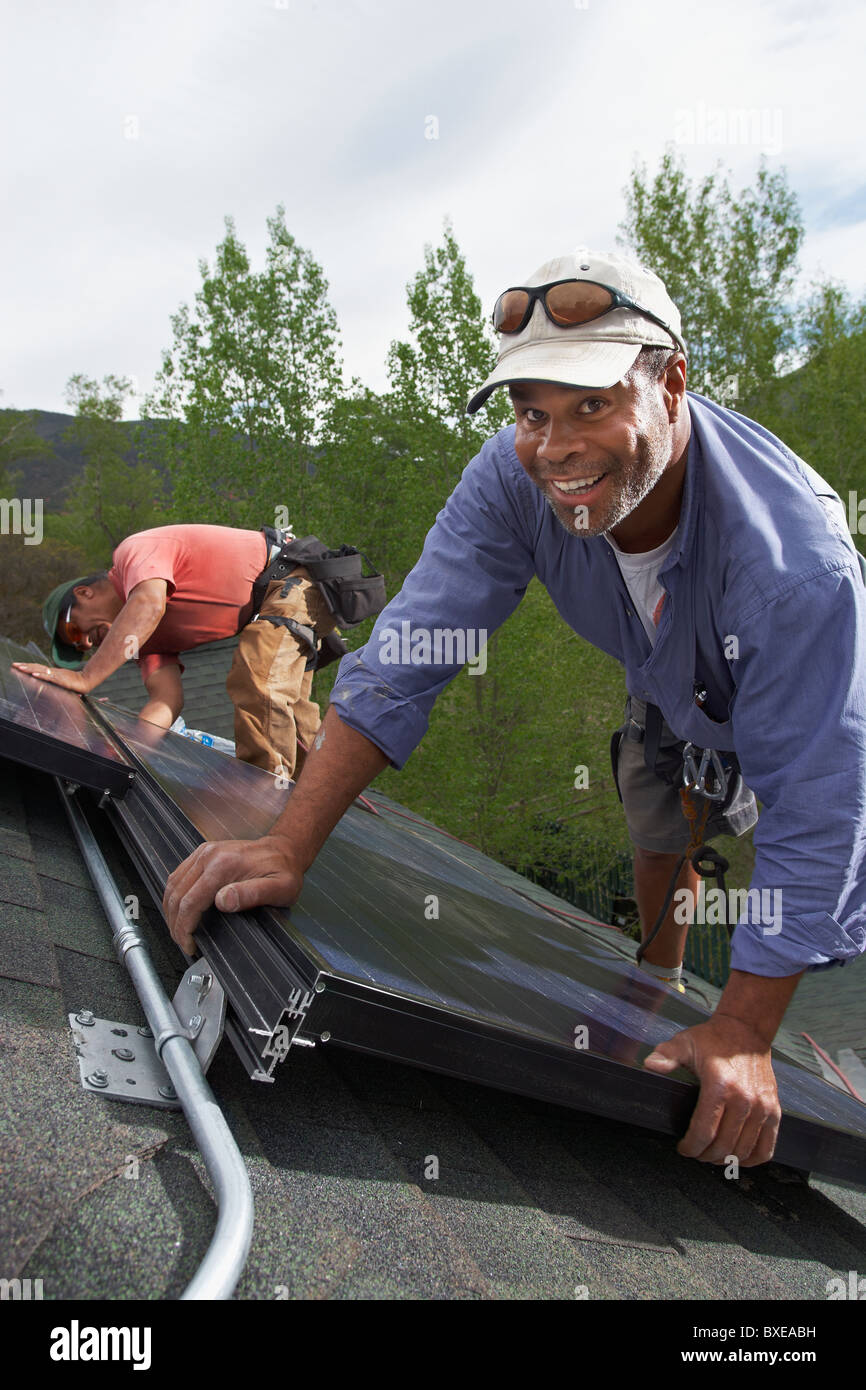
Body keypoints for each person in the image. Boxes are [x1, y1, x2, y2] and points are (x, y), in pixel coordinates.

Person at [161, 247, 866, 1168]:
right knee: (656, 811)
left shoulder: (798, 573)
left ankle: (703, 1000)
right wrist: (288, 843)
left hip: (780, 703)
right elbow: (409, 653)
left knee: (754, 827)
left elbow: (822, 810)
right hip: (663, 683)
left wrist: (740, 1029)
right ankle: (655, 977)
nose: (557, 447)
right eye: (533, 412)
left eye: (592, 406)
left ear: (672, 384)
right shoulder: (509, 478)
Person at [13, 522, 339, 779]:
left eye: (73, 630)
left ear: (84, 593)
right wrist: (133, 745)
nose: (84, 643)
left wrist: (85, 678)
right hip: (287, 604)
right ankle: (322, 787)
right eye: (77, 648)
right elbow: (166, 699)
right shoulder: (145, 641)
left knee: (257, 676)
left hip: (292, 578)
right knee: (294, 721)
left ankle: (262, 793)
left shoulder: (132, 554)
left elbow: (148, 603)